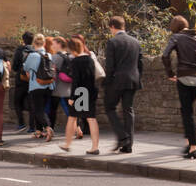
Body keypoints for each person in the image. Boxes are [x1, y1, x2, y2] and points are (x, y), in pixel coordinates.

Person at [161, 15, 196, 159]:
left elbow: (165, 56)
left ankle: (193, 147)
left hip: (184, 78)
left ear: (175, 27)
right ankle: (189, 143)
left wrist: (170, 73)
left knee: (187, 113)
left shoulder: (176, 37)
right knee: (185, 111)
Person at [103, 15, 142, 153]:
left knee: (109, 107)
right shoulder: (135, 42)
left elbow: (109, 66)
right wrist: (138, 78)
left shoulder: (112, 42)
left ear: (112, 27)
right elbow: (140, 64)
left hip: (117, 80)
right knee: (128, 110)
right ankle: (128, 145)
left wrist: (107, 82)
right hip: (133, 80)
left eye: (110, 29)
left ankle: (122, 136)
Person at [58, 35, 101, 154]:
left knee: (72, 118)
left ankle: (67, 144)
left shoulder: (76, 62)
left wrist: (72, 97)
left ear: (72, 49)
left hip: (80, 93)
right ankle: (95, 146)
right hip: (91, 91)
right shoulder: (90, 59)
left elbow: (76, 81)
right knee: (91, 119)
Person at [22, 34, 55, 142]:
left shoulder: (32, 55)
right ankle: (39, 131)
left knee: (37, 110)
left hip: (36, 86)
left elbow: (25, 68)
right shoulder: (49, 55)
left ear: (33, 44)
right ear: (44, 43)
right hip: (49, 85)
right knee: (42, 108)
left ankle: (48, 127)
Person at [10, 31, 34, 132]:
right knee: (32, 104)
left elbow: (14, 67)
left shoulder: (20, 50)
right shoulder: (35, 50)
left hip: (21, 80)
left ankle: (21, 124)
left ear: (23, 39)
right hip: (33, 81)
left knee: (17, 102)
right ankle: (32, 127)